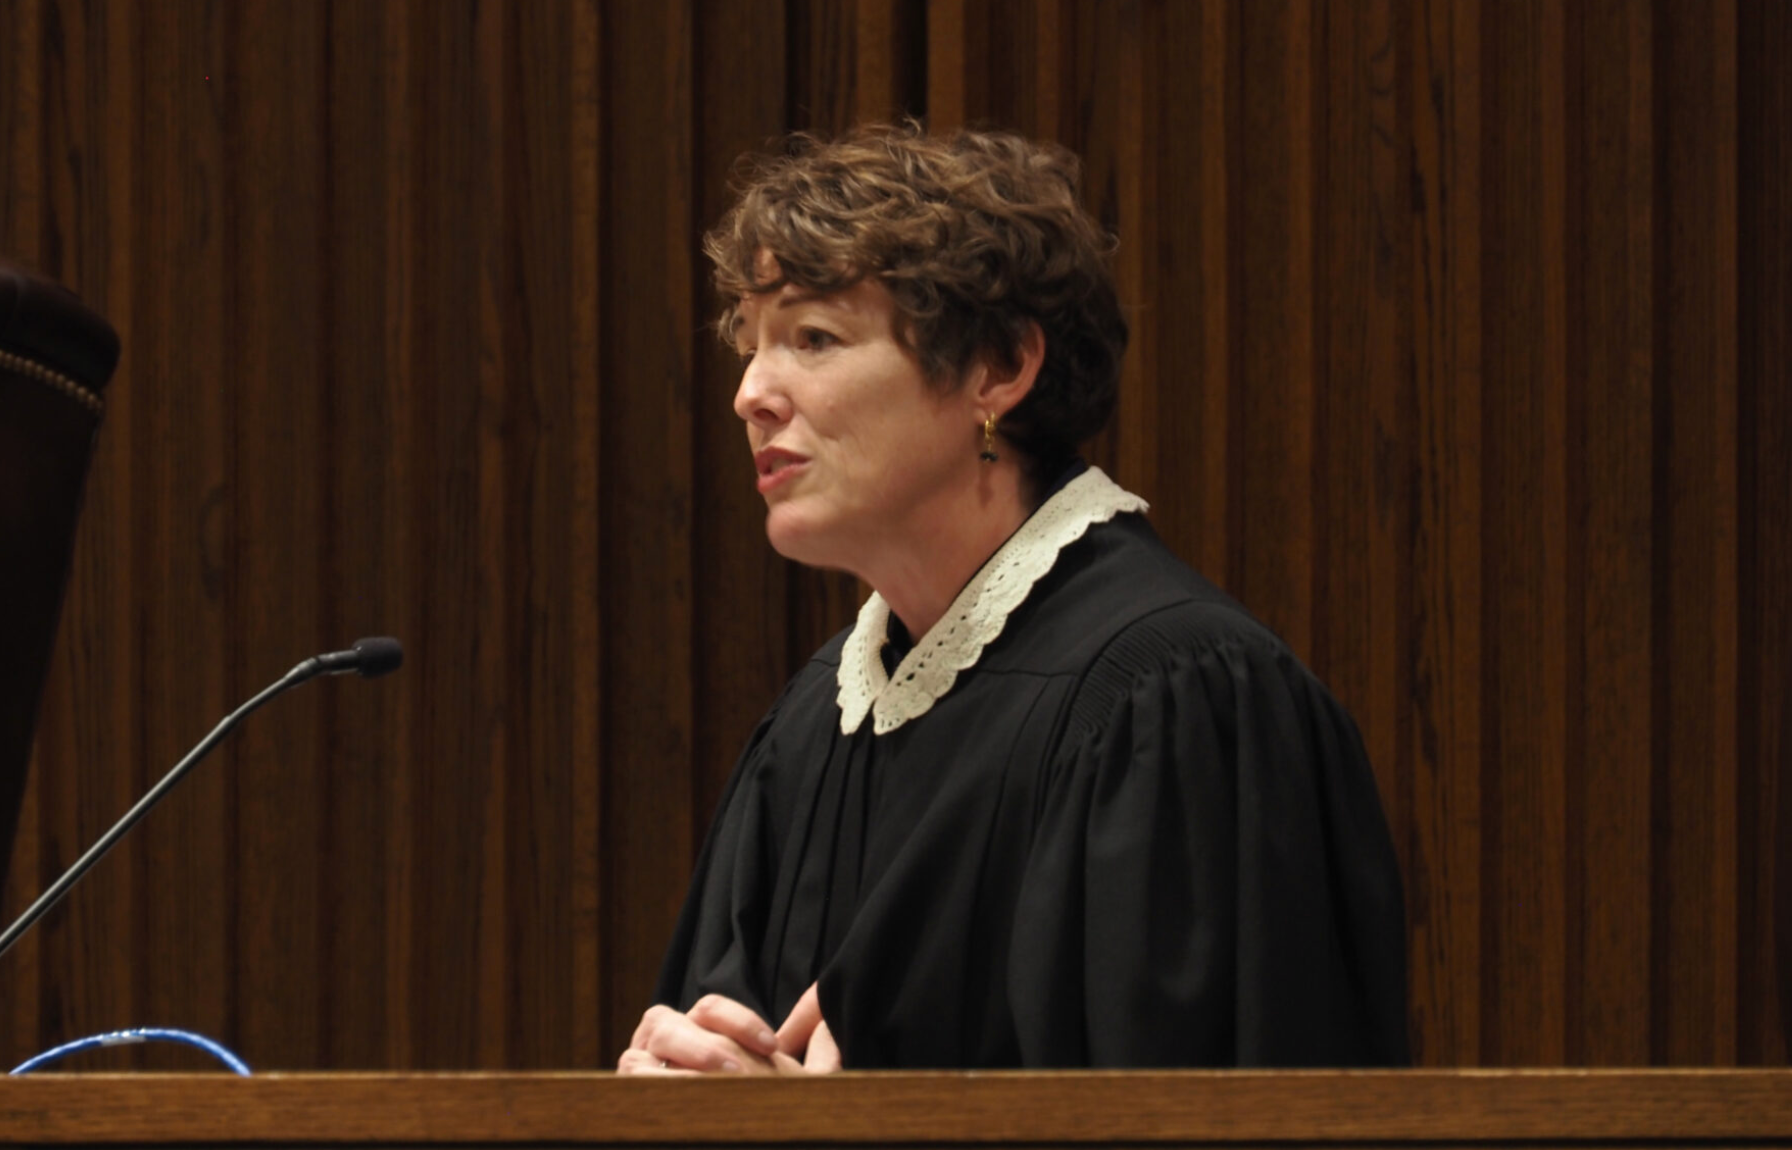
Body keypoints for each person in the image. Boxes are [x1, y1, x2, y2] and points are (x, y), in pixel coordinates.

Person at [618, 123, 1408, 1074]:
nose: (752, 394)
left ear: (998, 369)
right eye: (750, 346)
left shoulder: (1179, 699)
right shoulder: (811, 726)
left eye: (814, 338)